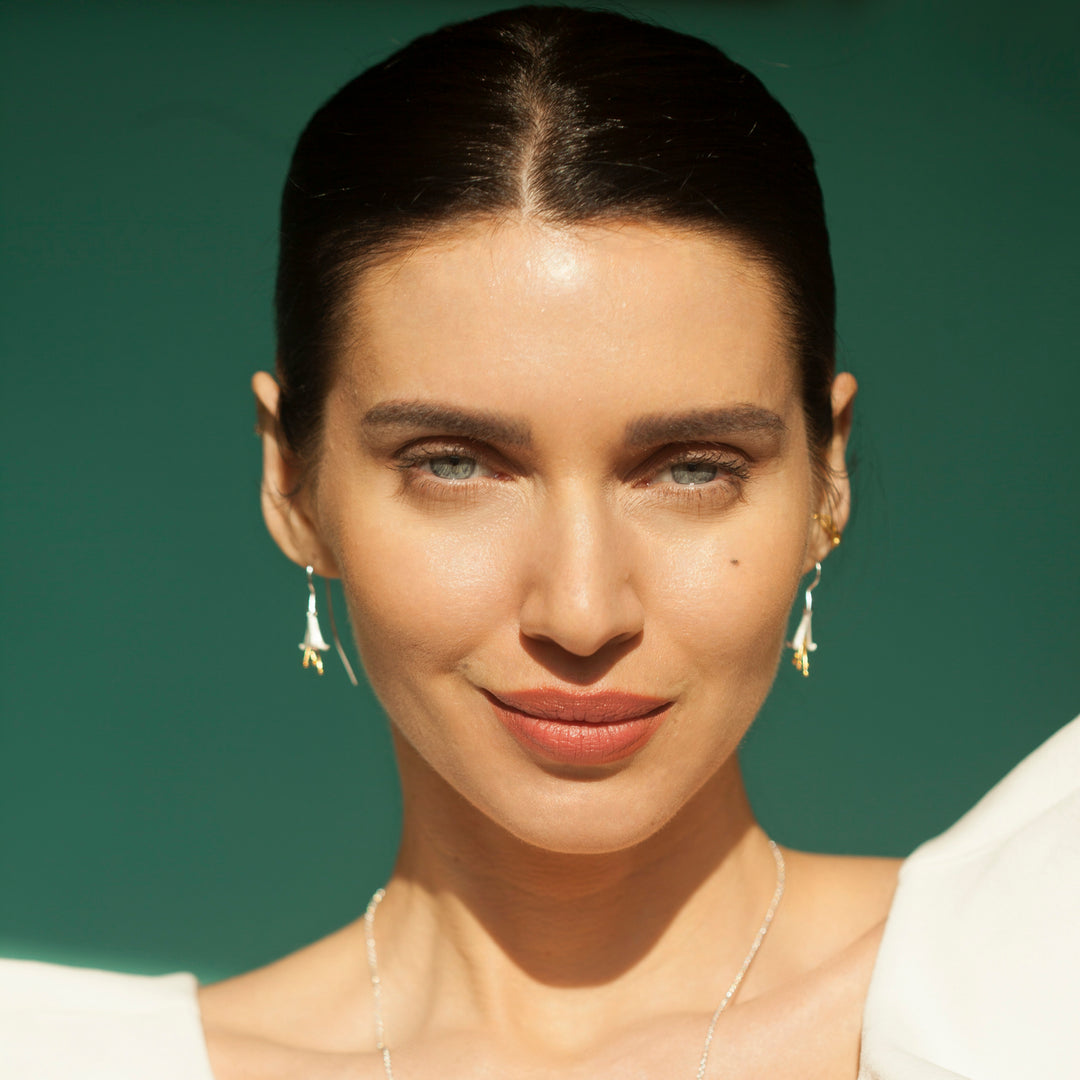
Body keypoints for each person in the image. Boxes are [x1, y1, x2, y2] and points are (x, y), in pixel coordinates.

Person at [1, 6, 1076, 1078]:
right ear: (293, 483)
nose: (580, 610)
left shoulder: (1033, 978)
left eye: (692, 467)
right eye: (454, 463)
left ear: (826, 478)